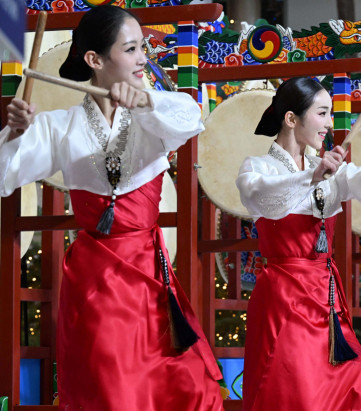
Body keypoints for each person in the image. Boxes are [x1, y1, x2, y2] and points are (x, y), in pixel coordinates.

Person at [1, 6, 223, 410]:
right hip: (95, 280)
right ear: (95, 60)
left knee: (174, 382)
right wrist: (15, 132)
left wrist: (143, 102)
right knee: (110, 385)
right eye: (132, 48)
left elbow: (191, 118)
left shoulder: (153, 114)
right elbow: (5, 174)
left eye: (144, 49)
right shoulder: (59, 125)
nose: (143, 59)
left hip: (150, 274)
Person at [236, 76, 361, 411]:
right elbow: (260, 194)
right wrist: (310, 178)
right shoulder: (258, 167)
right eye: (322, 113)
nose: (329, 124)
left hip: (326, 298)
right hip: (284, 299)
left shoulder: (328, 167)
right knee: (299, 396)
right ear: (291, 119)